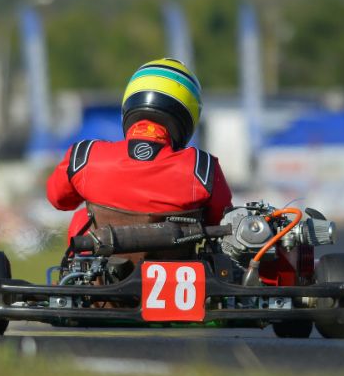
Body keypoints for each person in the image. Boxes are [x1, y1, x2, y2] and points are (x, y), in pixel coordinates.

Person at [46, 58, 232, 264]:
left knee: (83, 218)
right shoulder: (202, 167)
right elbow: (221, 222)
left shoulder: (84, 155)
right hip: (179, 285)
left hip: (101, 287)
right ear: (187, 113)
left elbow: (58, 199)